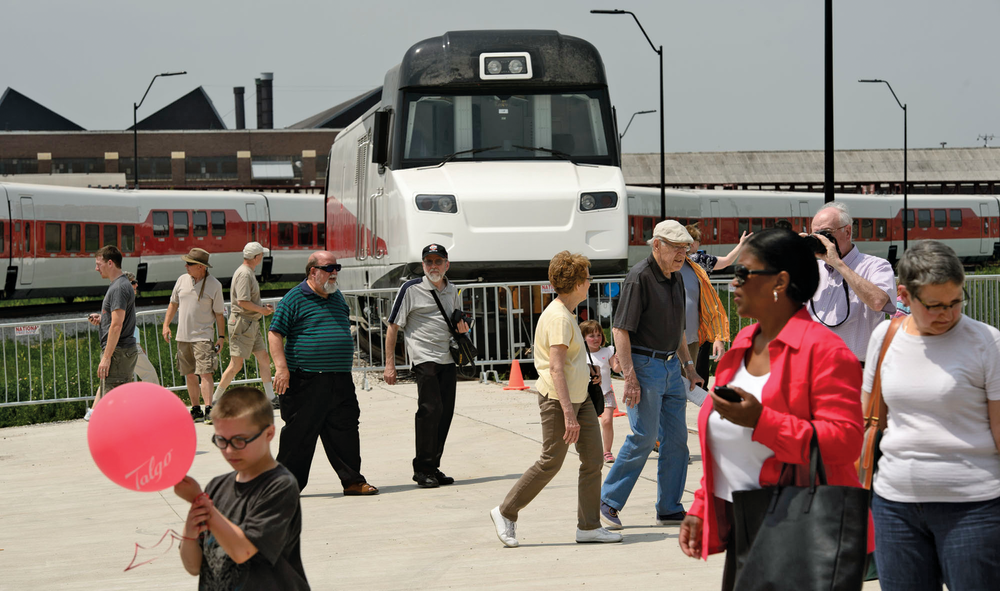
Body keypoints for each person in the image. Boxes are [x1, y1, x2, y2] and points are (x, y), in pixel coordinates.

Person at [678, 228, 869, 590]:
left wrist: (762, 421)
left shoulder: (826, 351)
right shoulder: (743, 342)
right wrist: (702, 506)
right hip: (744, 524)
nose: (733, 282)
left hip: (802, 530)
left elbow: (845, 442)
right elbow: (725, 441)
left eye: (744, 272)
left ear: (780, 281)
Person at [863, 240, 1000, 591]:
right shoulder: (885, 337)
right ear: (905, 296)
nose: (948, 314)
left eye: (955, 302)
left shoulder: (987, 343)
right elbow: (870, 419)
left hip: (974, 507)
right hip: (895, 506)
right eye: (935, 305)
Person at [490, 251, 622, 547]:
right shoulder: (560, 317)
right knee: (551, 461)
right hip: (560, 401)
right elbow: (556, 367)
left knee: (593, 460)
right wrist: (569, 415)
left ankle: (589, 526)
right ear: (576, 283)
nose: (590, 282)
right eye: (587, 278)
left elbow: (569, 362)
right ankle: (505, 511)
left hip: (580, 398)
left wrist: (587, 371)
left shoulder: (567, 313)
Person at [600, 220, 703, 531]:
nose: (682, 254)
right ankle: (607, 501)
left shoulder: (676, 277)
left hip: (672, 367)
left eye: (685, 249)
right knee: (644, 437)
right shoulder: (639, 277)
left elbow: (679, 330)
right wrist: (630, 377)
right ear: (657, 245)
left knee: (677, 440)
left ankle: (669, 508)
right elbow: (620, 330)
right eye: (676, 248)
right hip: (645, 366)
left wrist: (689, 367)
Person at [174, 386, 309, 590]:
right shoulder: (216, 487)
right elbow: (193, 566)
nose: (229, 450)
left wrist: (201, 501)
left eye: (239, 440)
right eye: (221, 440)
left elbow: (242, 551)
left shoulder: (280, 486)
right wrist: (189, 533)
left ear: (269, 433)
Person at [268, 251, 378, 496]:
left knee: (346, 430)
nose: (334, 272)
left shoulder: (336, 296)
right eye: (329, 268)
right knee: (299, 435)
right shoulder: (294, 297)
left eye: (337, 267)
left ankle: (353, 481)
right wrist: (282, 369)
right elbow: (275, 333)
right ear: (313, 271)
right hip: (305, 379)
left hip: (339, 378)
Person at [384, 243, 469, 489]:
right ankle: (422, 470)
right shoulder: (410, 289)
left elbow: (454, 321)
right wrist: (390, 365)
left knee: (445, 413)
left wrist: (462, 327)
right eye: (428, 262)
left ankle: (433, 465)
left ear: (447, 265)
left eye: (438, 261)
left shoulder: (452, 289)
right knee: (430, 410)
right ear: (422, 265)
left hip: (447, 357)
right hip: (423, 357)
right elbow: (393, 326)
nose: (433, 266)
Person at [807, 202, 896, 362]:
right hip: (814, 365)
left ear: (847, 232)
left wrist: (839, 265)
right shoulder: (812, 269)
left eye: (826, 233)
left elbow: (878, 302)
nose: (821, 239)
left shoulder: (876, 266)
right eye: (816, 235)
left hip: (855, 367)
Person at [162, 248, 226, 423]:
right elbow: (173, 304)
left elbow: (219, 314)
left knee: (205, 373)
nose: (186, 266)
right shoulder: (182, 280)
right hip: (183, 337)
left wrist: (221, 337)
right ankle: (196, 409)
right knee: (189, 374)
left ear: (201, 267)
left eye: (189, 264)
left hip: (203, 336)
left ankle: (209, 409)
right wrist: (166, 325)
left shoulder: (214, 285)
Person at [213, 242, 275, 405]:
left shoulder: (246, 272)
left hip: (249, 322)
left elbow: (244, 301)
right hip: (243, 323)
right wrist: (262, 310)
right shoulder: (245, 274)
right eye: (261, 254)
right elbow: (242, 301)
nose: (262, 257)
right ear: (256, 257)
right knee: (236, 365)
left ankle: (271, 397)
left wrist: (261, 308)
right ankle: (215, 400)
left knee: (263, 358)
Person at [85, 245, 138, 421]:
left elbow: (116, 325)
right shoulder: (120, 285)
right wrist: (103, 319)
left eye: (98, 264)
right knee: (117, 399)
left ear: (110, 263)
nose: (96, 268)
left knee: (112, 402)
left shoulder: (118, 288)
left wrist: (106, 357)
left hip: (118, 352)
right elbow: (117, 319)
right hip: (121, 351)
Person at [681, 223, 732, 383]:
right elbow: (727, 261)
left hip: (691, 336)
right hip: (683, 336)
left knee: (688, 382)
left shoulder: (694, 267)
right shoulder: (699, 261)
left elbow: (711, 305)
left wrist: (718, 337)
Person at [580, 320, 621, 463]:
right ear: (583, 338)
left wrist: (620, 360)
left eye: (599, 335)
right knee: (588, 425)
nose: (596, 338)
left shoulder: (607, 351)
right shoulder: (580, 354)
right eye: (591, 336)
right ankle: (590, 451)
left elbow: (616, 369)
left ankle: (607, 451)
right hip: (587, 394)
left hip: (606, 392)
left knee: (607, 421)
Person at [124, 272, 159, 385]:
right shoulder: (124, 301)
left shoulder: (125, 300)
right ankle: (154, 397)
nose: (137, 285)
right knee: (149, 374)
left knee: (114, 380)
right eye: (133, 282)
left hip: (126, 345)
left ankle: (103, 396)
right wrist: (136, 345)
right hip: (129, 345)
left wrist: (138, 344)